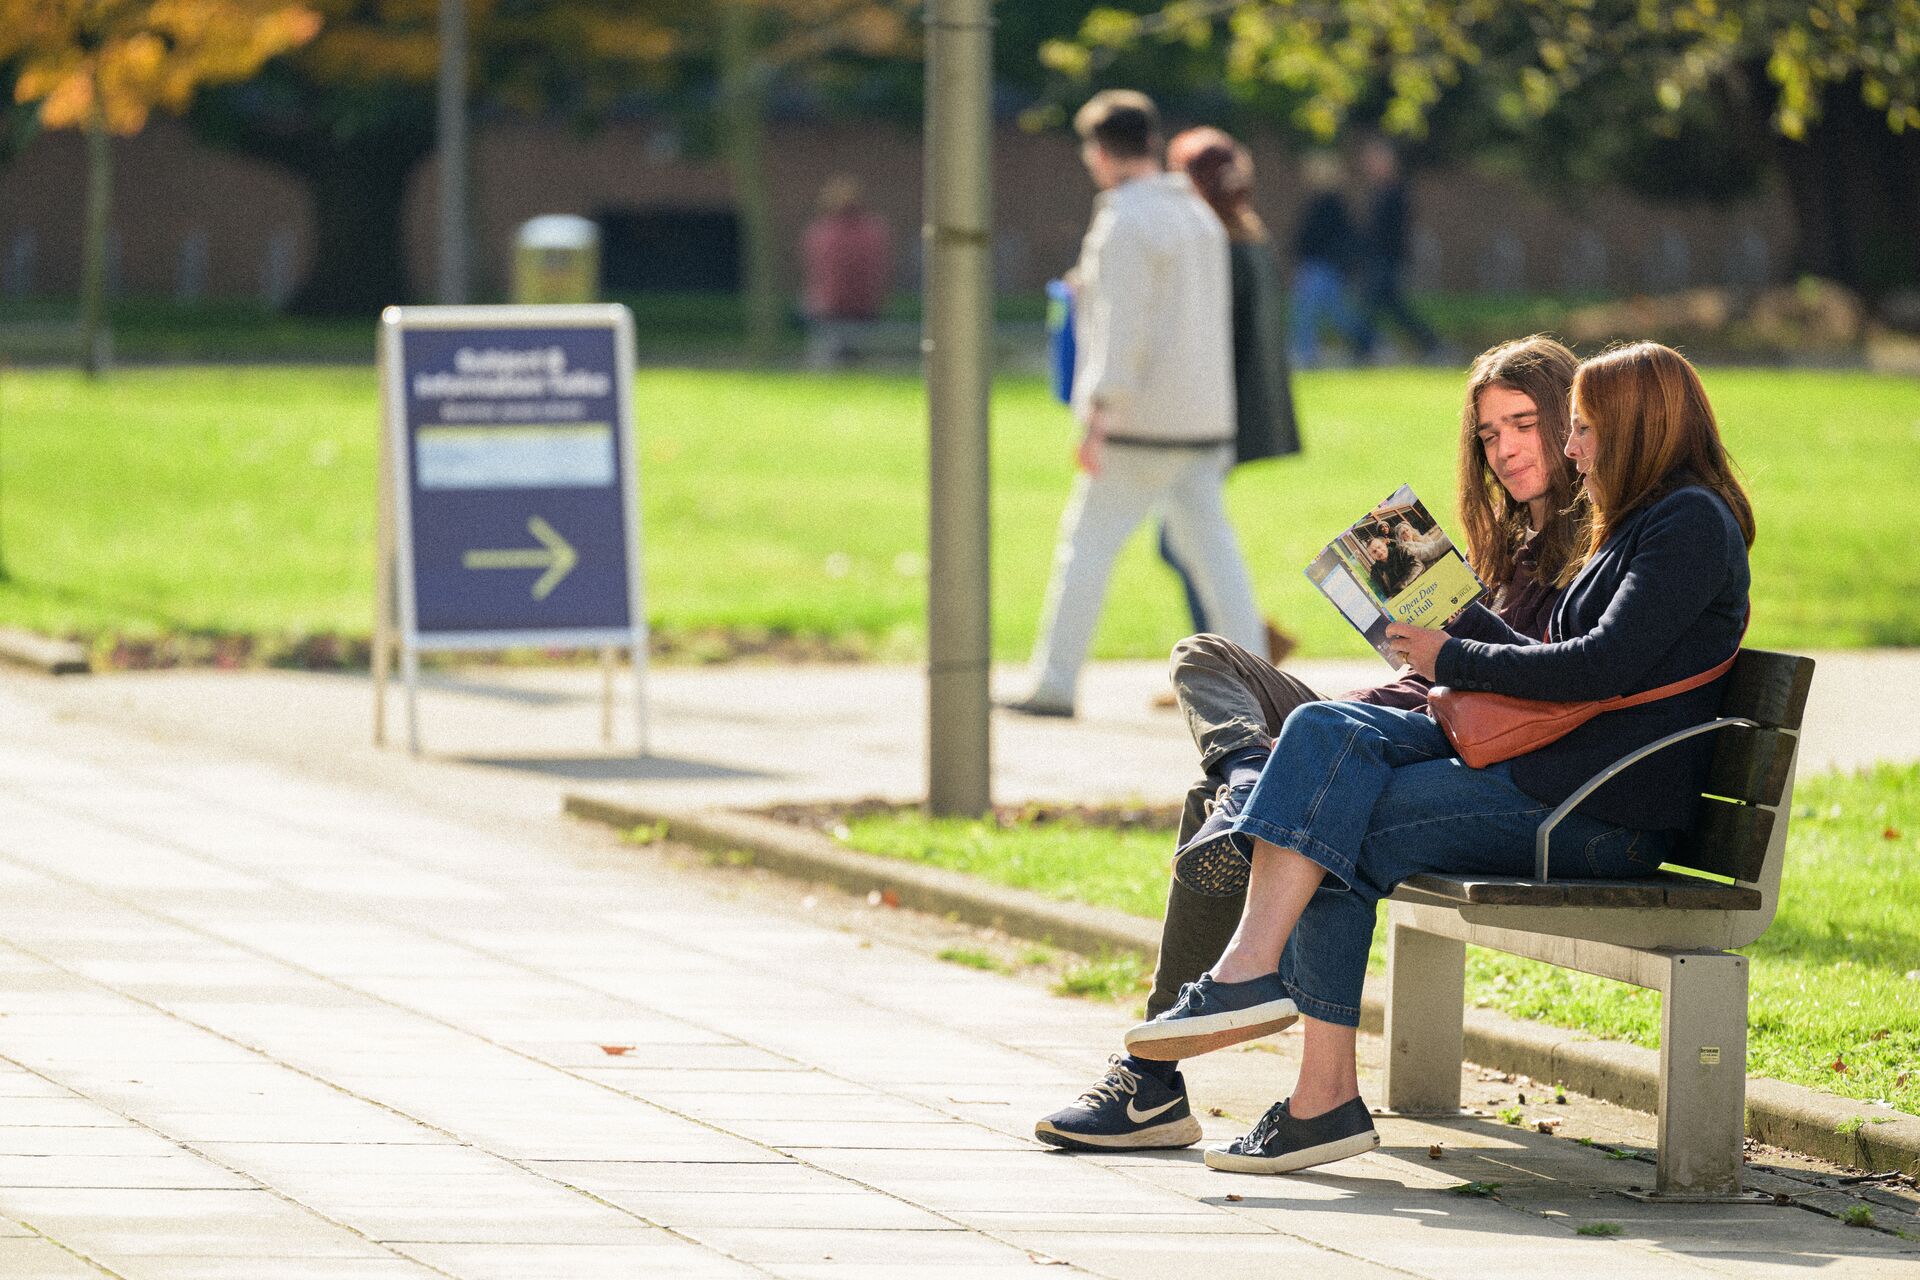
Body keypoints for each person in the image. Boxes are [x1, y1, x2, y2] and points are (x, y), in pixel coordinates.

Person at [1120, 341, 1753, 1178]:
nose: (1571, 449)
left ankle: (1298, 1058)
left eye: (1584, 430)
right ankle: (1295, 1052)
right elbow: (1558, 655)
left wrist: (1448, 659)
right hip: (1549, 783)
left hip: (1593, 815)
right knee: (1320, 740)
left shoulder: (1688, 524)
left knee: (1325, 814)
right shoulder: (1635, 527)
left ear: (1639, 429)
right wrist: (1442, 623)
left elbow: (1596, 667)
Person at [1034, 334, 1585, 1152]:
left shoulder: (1590, 548)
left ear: (1573, 424)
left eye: (1523, 425)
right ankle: (1252, 774)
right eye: (1488, 434)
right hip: (1399, 715)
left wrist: (1450, 639)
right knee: (1207, 658)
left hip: (1450, 751)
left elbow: (1533, 686)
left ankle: (1151, 1084)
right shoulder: (1506, 544)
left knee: (1251, 800)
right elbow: (1437, 676)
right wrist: (1383, 667)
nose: (1503, 449)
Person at [1003, 92, 1265, 718]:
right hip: (1203, 419)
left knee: (1086, 546)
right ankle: (1260, 685)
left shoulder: (1125, 219)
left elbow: (1124, 330)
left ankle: (1056, 682)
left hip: (1139, 423)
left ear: (1098, 152)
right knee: (1216, 556)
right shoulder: (1197, 215)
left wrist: (1099, 412)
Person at [1153, 127, 1302, 667]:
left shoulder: (1213, 247)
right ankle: (1240, 645)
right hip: (1243, 409)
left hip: (1214, 414)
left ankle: (1225, 661)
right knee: (1188, 538)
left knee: (1183, 541)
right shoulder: (1248, 235)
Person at [1355, 138, 1439, 363]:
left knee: (1374, 306)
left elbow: (1392, 231)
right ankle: (1430, 342)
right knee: (1390, 306)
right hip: (1379, 258)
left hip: (1387, 258)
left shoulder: (1395, 191)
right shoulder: (1381, 191)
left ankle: (1362, 350)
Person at [800, 176, 892, 369]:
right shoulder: (874, 231)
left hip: (830, 311)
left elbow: (818, 274)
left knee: (825, 363)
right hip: (865, 311)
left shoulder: (821, 232)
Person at [1289, 153, 1366, 368]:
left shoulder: (1329, 204)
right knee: (1336, 313)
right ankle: (1367, 342)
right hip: (1323, 265)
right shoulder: (1326, 202)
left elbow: (1318, 236)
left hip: (1320, 265)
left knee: (1309, 311)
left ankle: (1305, 352)